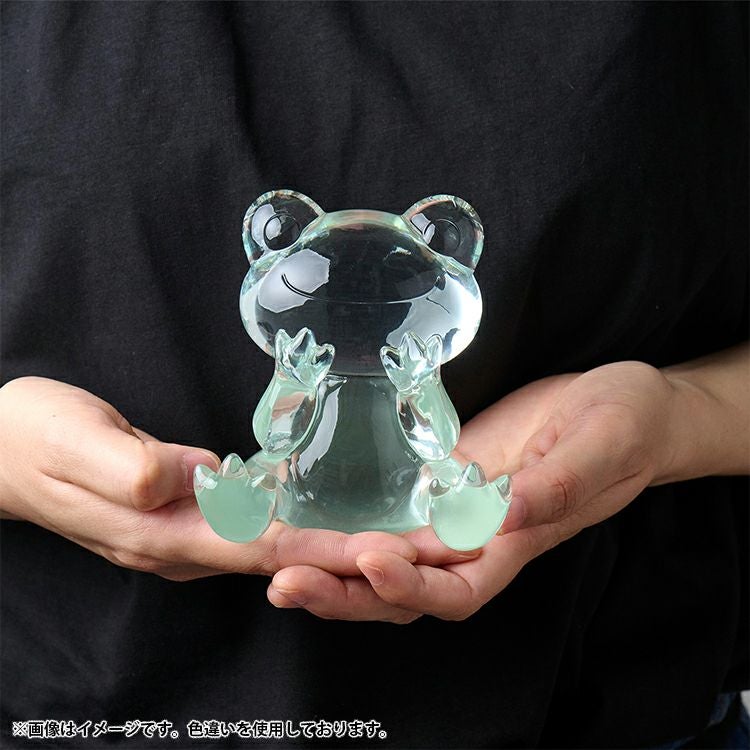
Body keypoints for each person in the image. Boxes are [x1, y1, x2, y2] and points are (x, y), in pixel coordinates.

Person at [1, 2, 747, 747]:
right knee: (268, 467)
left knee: (440, 472)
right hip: (91, 708)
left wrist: (678, 415)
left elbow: (434, 439)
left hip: (601, 705)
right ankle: (248, 496)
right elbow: (278, 434)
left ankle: (456, 504)